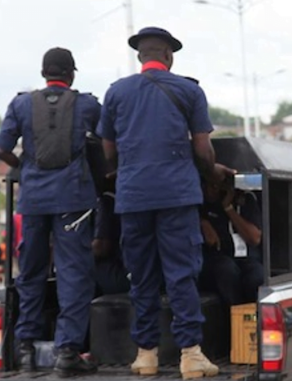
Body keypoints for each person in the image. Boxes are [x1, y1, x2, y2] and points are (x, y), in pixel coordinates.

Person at [97, 26, 233, 379]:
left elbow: (108, 150)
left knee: (140, 276)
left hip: (132, 197)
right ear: (169, 56)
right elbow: (203, 149)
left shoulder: (116, 93)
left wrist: (123, 173)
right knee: (180, 274)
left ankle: (146, 355)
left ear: (141, 56)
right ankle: (190, 355)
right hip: (176, 196)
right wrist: (213, 174)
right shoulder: (189, 91)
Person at [0, 47, 99, 377]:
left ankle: (26, 348)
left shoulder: (21, 103)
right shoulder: (87, 104)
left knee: (31, 271)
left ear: (44, 73)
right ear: (71, 75)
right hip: (73, 201)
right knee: (73, 274)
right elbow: (110, 139)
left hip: (33, 201)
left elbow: (2, 149)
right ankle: (67, 351)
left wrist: (24, 169)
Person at [199, 181, 263, 307]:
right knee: (226, 270)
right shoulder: (200, 203)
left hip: (246, 258)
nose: (214, 189)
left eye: (217, 184)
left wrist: (228, 208)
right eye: (211, 184)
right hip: (218, 258)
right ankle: (236, 319)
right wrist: (202, 222)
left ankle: (254, 320)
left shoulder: (245, 199)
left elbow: (254, 238)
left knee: (258, 277)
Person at [92, 192, 130, 297]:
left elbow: (101, 247)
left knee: (77, 266)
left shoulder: (106, 201)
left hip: (120, 275)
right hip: (145, 274)